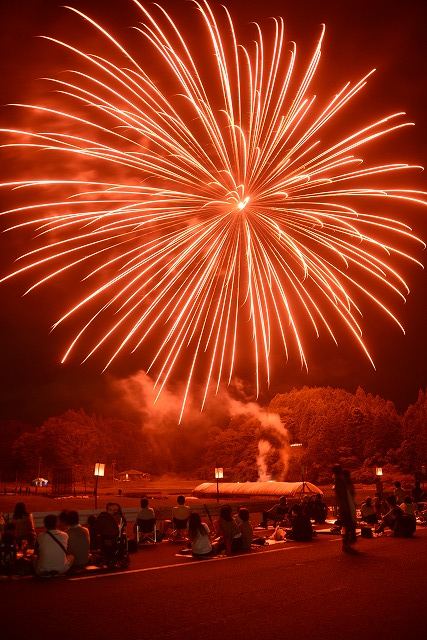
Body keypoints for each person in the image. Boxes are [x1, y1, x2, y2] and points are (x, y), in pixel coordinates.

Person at [332, 465, 358, 554]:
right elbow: (347, 494)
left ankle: (346, 545)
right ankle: (347, 545)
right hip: (346, 507)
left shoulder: (338, 481)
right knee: (349, 526)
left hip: (345, 507)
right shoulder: (341, 482)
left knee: (347, 526)